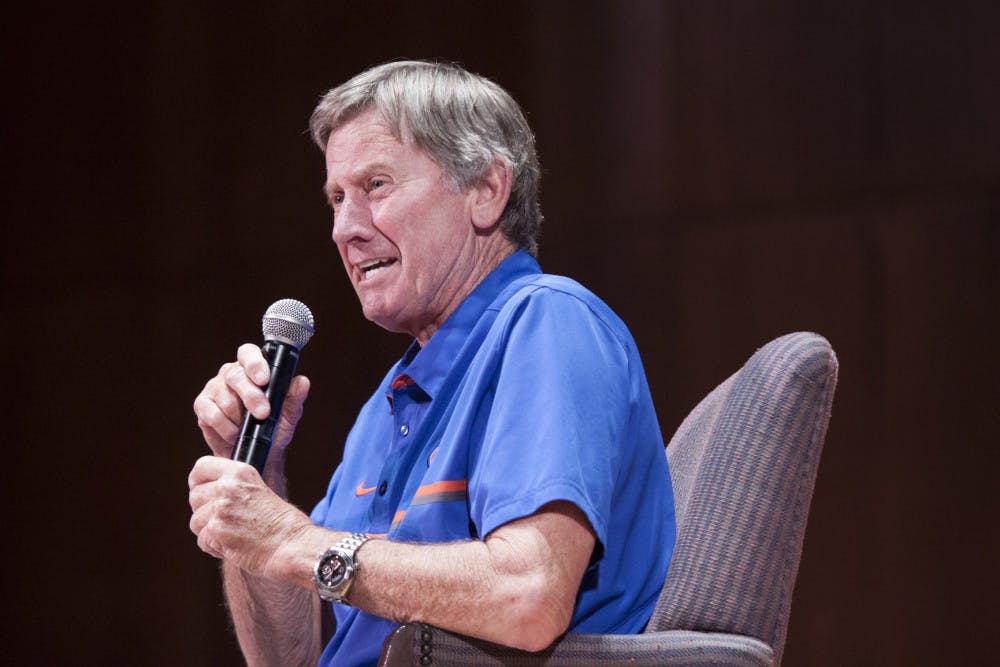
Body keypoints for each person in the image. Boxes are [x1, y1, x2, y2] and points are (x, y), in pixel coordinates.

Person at [189, 60, 676, 667]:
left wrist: (294, 541)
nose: (344, 229)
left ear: (486, 191)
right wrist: (261, 482)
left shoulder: (546, 323)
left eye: (376, 187)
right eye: (336, 198)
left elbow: (527, 597)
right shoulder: (383, 406)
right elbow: (287, 659)